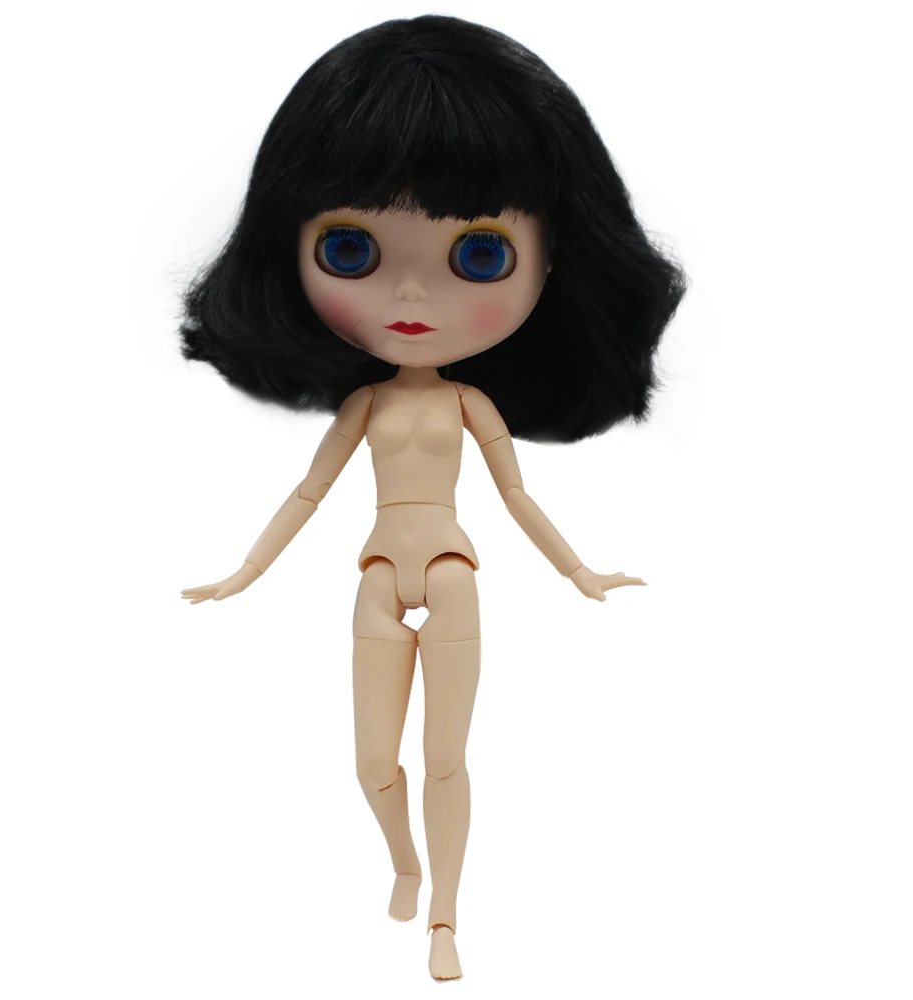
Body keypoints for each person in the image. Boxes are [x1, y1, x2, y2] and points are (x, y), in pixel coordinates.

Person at [178, 14, 686, 981]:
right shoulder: (366, 404)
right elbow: (308, 493)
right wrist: (242, 574)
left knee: (445, 759)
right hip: (377, 572)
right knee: (374, 764)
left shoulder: (469, 403)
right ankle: (404, 863)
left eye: (480, 254)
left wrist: (580, 571)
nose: (412, 295)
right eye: (352, 250)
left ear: (553, 258)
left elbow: (516, 497)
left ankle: (446, 917)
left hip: (451, 572)